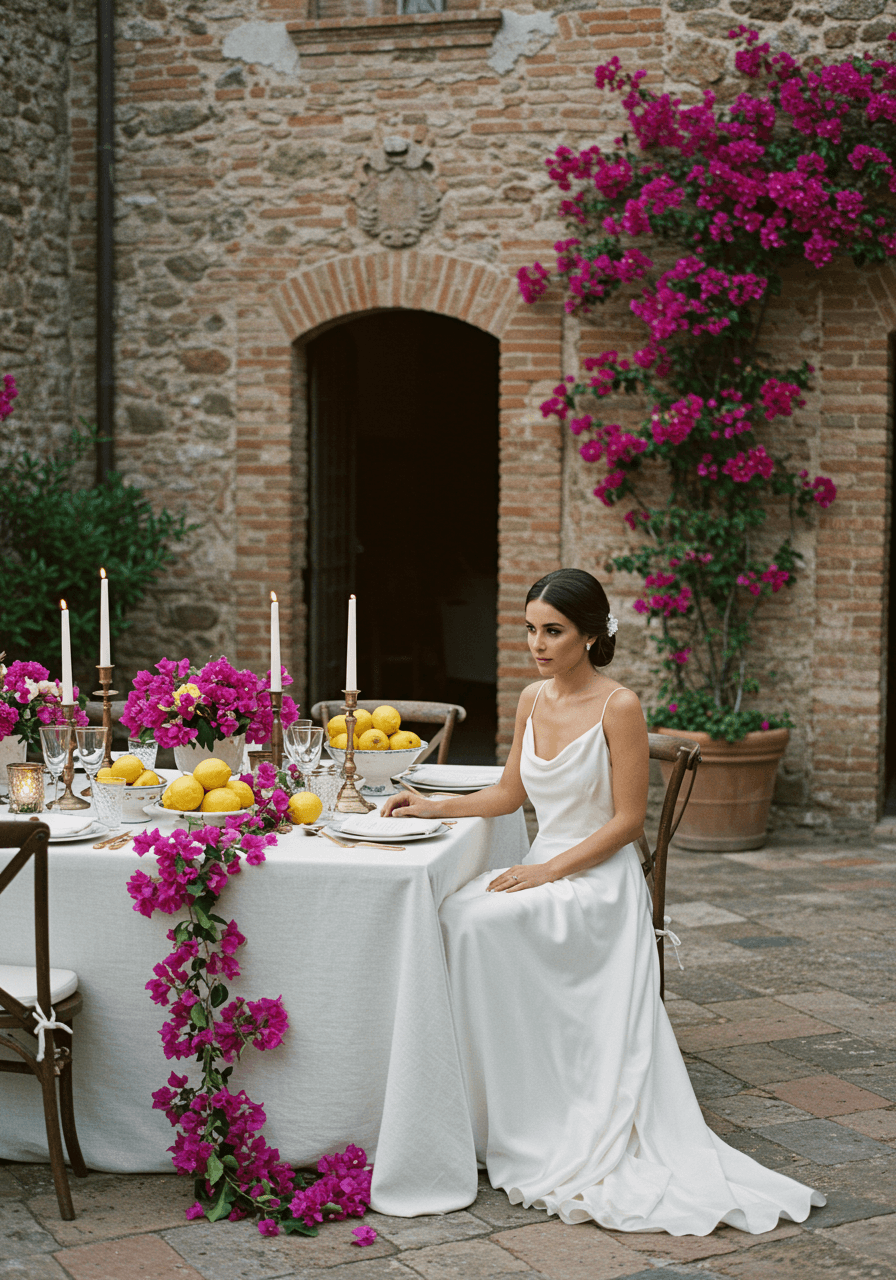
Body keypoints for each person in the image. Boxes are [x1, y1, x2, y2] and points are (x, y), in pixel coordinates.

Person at [381, 567, 824, 1235]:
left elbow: (626, 823)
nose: (537, 644)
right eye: (530, 630)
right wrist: (428, 807)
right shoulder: (531, 698)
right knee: (456, 915)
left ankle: (543, 1112)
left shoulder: (620, 706)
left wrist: (549, 871)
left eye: (552, 631)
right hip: (547, 864)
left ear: (590, 634)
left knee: (477, 921)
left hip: (599, 879)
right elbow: (509, 795)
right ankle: (489, 1108)